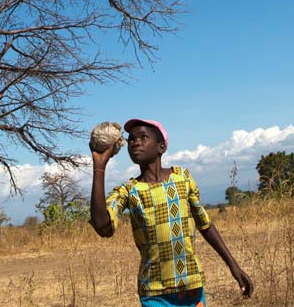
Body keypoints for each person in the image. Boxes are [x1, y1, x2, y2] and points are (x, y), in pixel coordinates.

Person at [89, 118, 252, 306]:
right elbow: (102, 226)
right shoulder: (128, 191)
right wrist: (99, 166)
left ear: (161, 147)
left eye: (143, 137)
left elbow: (205, 224)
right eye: (131, 139)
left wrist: (234, 266)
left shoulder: (182, 178)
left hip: (191, 286)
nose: (135, 142)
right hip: (154, 293)